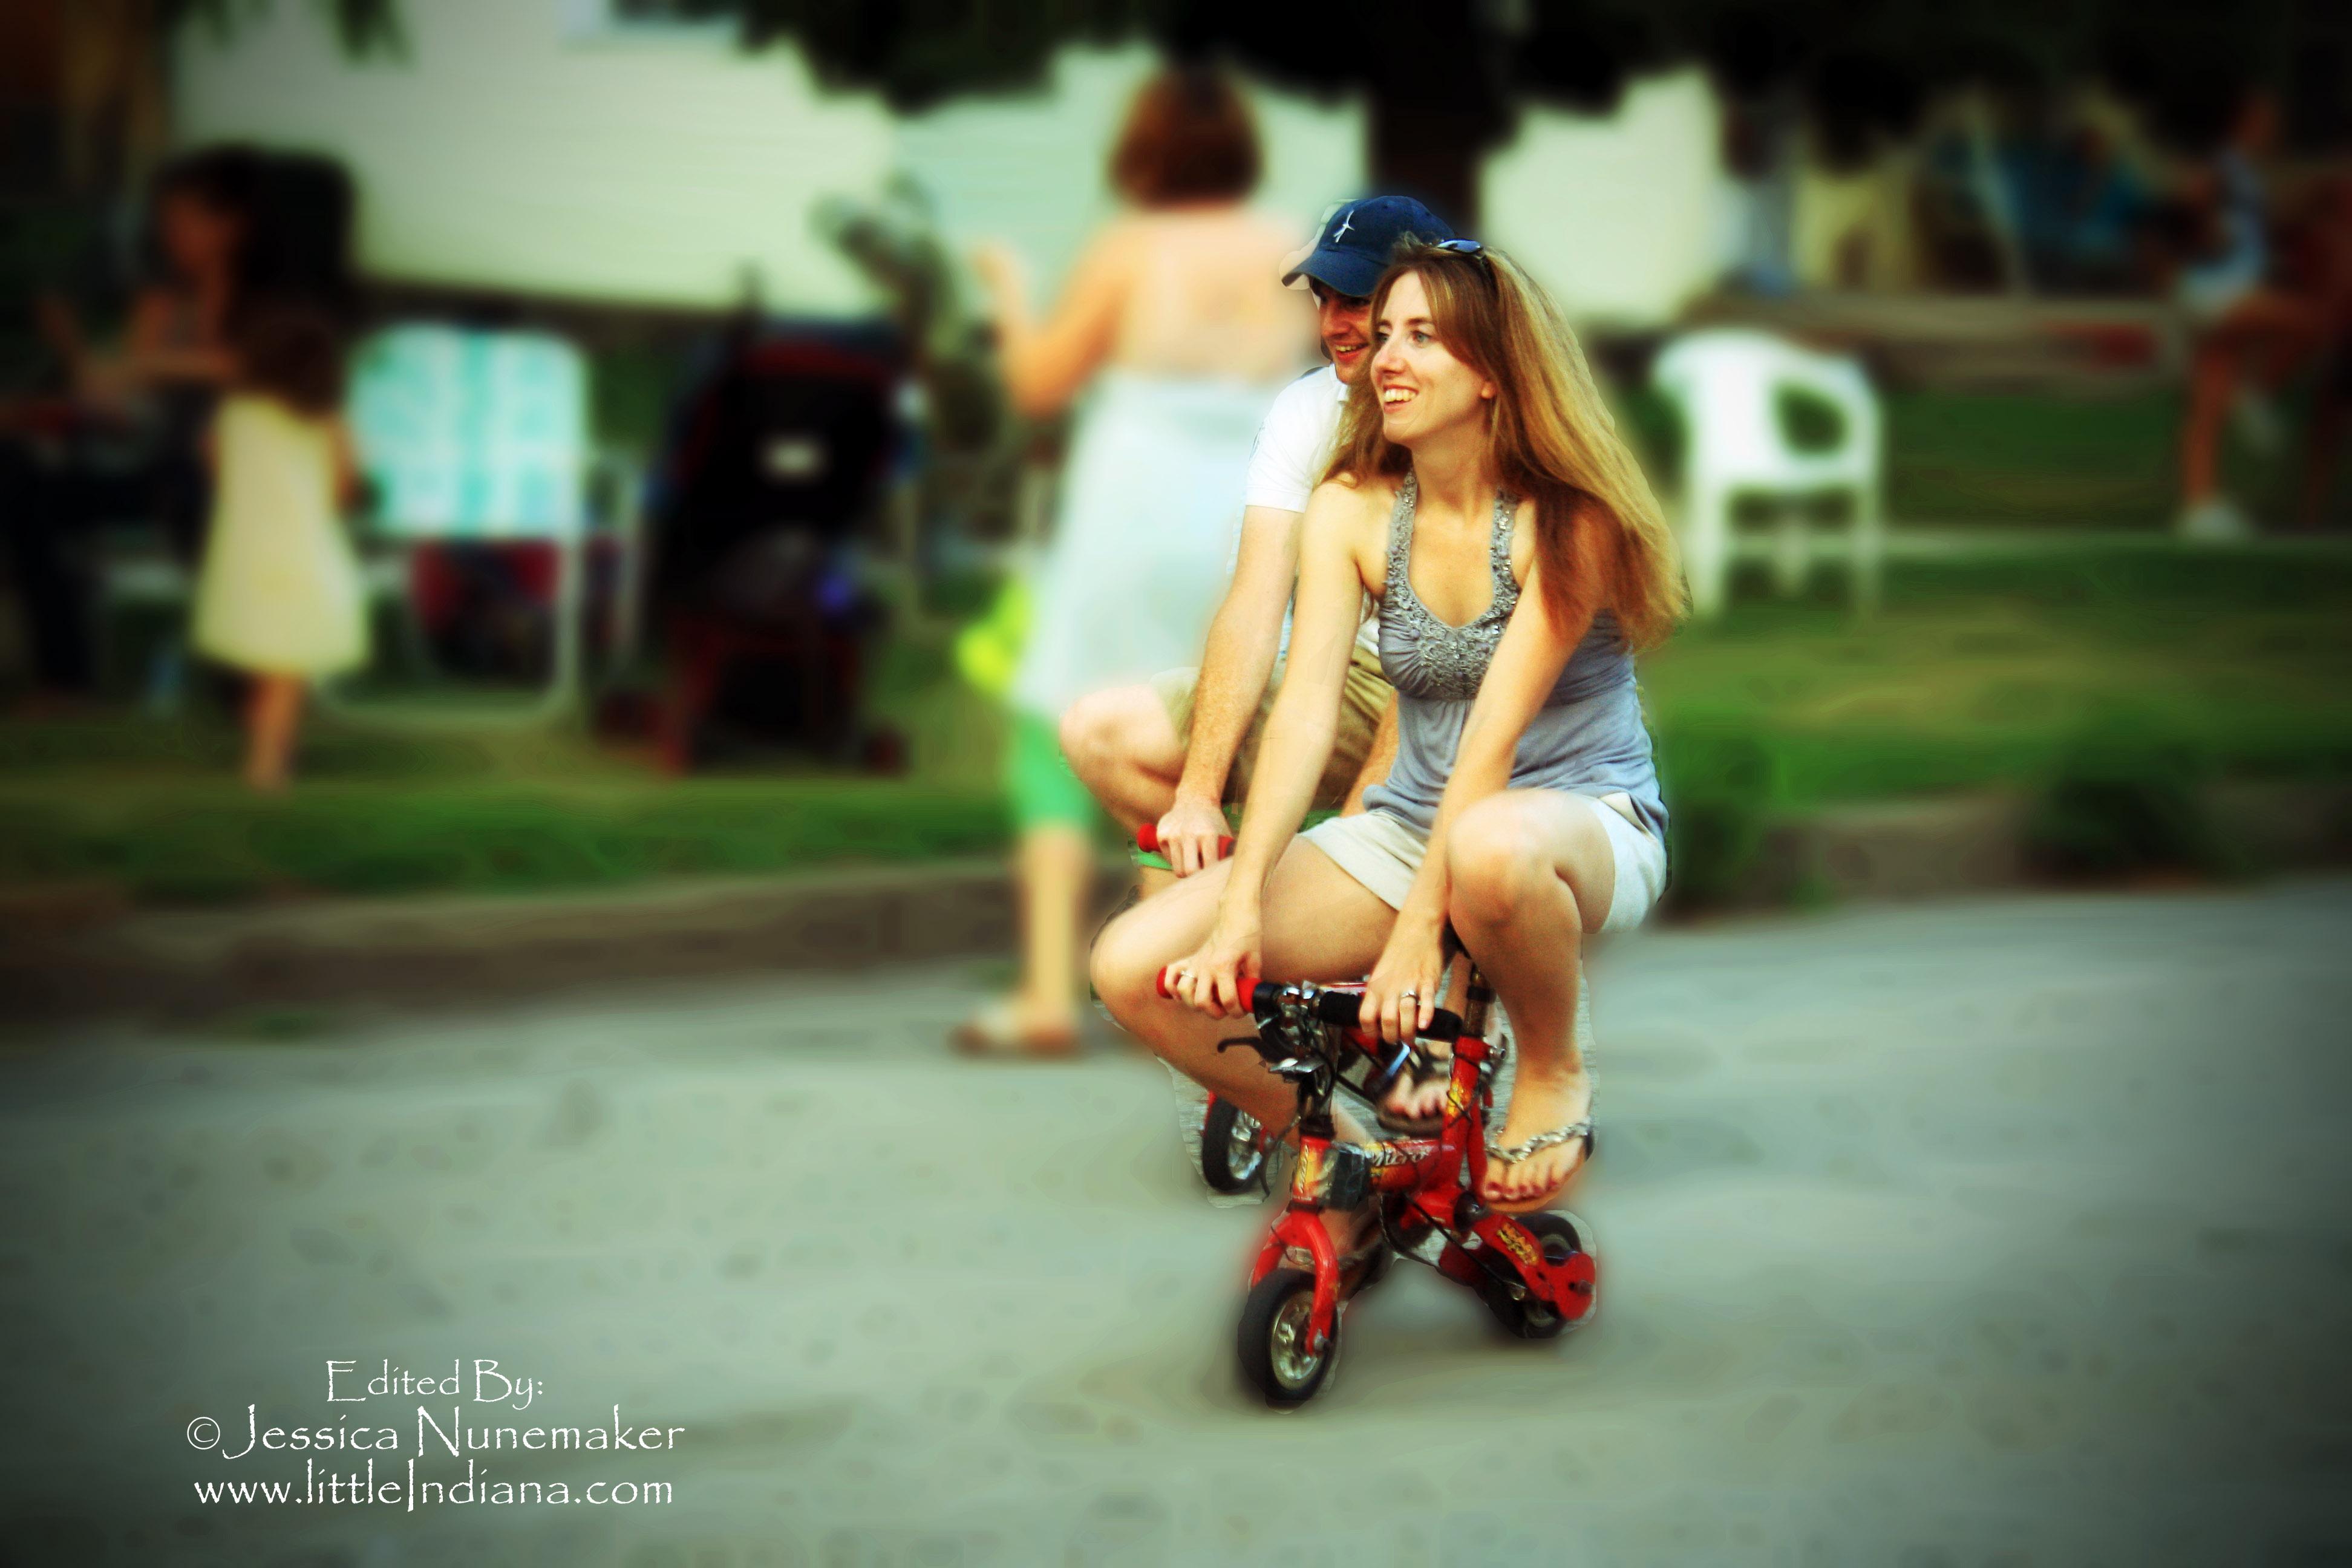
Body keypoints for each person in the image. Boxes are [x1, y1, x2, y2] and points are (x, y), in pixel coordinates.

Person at [1092, 240, 1684, 1241]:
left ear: (1493, 372)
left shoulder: (1568, 524)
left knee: (1488, 846)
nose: (1384, 357)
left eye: (1422, 338)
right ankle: (1349, 1152)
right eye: (1384, 335)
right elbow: (1306, 715)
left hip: (1575, 823)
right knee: (1130, 965)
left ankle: (1550, 1065)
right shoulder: (1350, 512)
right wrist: (1237, 909)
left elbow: (1488, 751)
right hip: (1414, 825)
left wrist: (1418, 935)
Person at [950, 65, 1312, 1057]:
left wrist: (1008, 296)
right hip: (1246, 511)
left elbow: (1036, 383)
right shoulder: (1287, 245)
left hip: (1132, 507)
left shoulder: (1129, 247)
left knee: (1066, 735)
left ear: (1141, 151)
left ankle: (1046, 995)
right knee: (1200, 732)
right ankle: (1186, 982)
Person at [1057, 195, 1454, 889]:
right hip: (1345, 677)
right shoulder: (1307, 409)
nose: (1333, 324)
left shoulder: (1473, 409)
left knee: (1360, 842)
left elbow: (1452, 655)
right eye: (1323, 299)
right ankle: (1253, 935)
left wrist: (1356, 832)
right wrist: (1198, 795)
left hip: (1463, 683)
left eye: (1357, 301)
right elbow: (1254, 598)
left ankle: (1301, 920)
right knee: (1100, 733)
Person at [189, 303, 365, 791]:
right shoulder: (325, 419)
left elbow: (217, 468)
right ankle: (265, 767)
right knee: (288, 669)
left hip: (244, 550)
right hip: (302, 550)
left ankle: (271, 741)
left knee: (270, 665)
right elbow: (344, 488)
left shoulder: (234, 415)